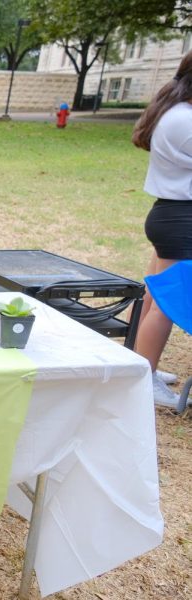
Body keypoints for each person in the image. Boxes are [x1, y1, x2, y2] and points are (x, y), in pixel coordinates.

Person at [131, 51, 192, 407]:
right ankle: (146, 377)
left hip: (170, 214)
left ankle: (141, 365)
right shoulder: (184, 119)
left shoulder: (176, 112)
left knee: (155, 295)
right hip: (180, 218)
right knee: (168, 304)